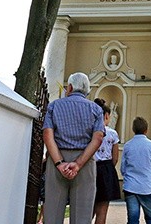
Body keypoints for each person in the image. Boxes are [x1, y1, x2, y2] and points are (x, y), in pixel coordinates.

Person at [42, 72, 105, 224]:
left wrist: (59, 163)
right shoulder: (96, 109)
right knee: (82, 215)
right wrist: (78, 164)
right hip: (85, 162)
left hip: (57, 159)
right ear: (87, 90)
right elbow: (98, 138)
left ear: (69, 87)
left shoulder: (54, 106)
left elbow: (47, 135)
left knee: (52, 212)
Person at [121, 117, 151, 224]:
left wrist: (127, 176)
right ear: (146, 130)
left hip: (130, 186)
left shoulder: (127, 145)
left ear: (133, 129)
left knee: (133, 218)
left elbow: (123, 168)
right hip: (147, 186)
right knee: (150, 217)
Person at [93, 98, 122, 224]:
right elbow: (115, 157)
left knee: (87, 208)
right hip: (106, 169)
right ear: (106, 115)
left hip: (90, 168)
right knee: (102, 210)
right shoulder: (112, 133)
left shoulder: (90, 131)